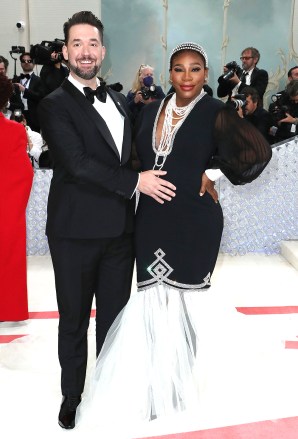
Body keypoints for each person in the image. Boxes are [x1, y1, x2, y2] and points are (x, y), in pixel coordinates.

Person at [77, 42, 272, 435]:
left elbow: (256, 152)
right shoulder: (150, 111)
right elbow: (133, 159)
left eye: (195, 70)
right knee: (151, 300)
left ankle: (177, 387)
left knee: (184, 305)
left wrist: (213, 173)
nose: (187, 77)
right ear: (169, 73)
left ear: (205, 73)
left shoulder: (216, 112)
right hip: (151, 219)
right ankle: (154, 386)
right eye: (179, 69)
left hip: (195, 221)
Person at [38, 10, 177, 430]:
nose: (85, 51)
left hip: (120, 231)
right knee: (75, 319)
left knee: (116, 322)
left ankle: (112, 387)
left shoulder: (118, 99)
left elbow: (139, 153)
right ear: (65, 52)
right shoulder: (53, 104)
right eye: (76, 44)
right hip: (75, 232)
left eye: (92, 43)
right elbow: (78, 165)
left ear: (103, 50)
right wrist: (137, 181)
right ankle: (71, 395)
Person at [0, 74, 33, 321]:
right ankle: (8, 309)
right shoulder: (16, 132)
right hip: (7, 210)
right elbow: (24, 176)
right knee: (9, 257)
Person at [12, 52, 43, 132]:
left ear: (34, 63)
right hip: (18, 114)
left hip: (33, 116)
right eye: (23, 61)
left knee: (34, 140)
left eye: (29, 61)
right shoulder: (15, 79)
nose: (26, 63)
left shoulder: (39, 80)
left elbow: (40, 97)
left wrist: (24, 90)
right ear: (21, 63)